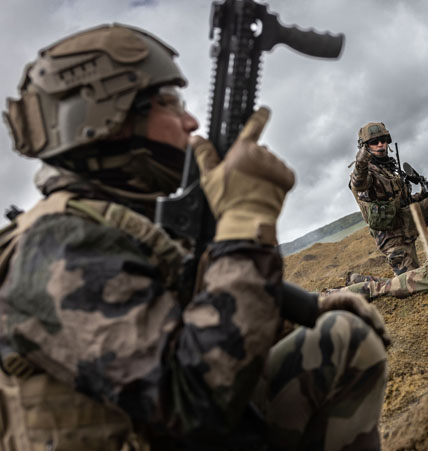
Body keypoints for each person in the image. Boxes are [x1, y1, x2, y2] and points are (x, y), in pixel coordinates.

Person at [0, 24, 389, 450]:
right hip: (182, 417)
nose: (190, 121)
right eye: (168, 103)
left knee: (339, 340)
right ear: (104, 119)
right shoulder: (57, 245)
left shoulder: (116, 224)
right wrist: (244, 221)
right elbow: (194, 402)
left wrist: (305, 306)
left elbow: (188, 307)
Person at [349, 121, 428, 276]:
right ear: (365, 147)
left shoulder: (390, 169)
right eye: (374, 142)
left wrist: (423, 194)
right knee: (411, 284)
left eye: (384, 140)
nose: (381, 144)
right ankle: (363, 284)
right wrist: (360, 163)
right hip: (392, 237)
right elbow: (358, 184)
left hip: (407, 221)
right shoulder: (366, 173)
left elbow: (405, 202)